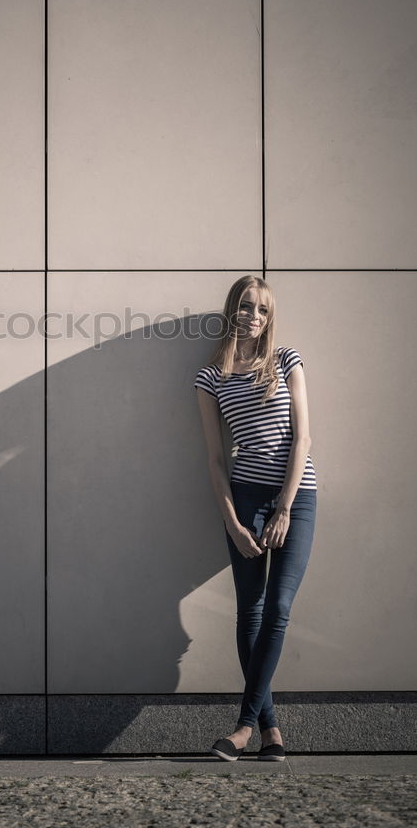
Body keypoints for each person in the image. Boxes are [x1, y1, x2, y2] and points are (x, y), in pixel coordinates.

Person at [194, 275, 317, 762]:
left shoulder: (286, 360)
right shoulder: (210, 378)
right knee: (251, 611)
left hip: (297, 497)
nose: (254, 317)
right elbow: (215, 460)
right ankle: (271, 731)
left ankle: (243, 728)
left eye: (262, 310)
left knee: (279, 607)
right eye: (246, 307)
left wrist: (285, 506)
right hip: (244, 498)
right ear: (233, 309)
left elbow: (303, 440)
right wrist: (232, 521)